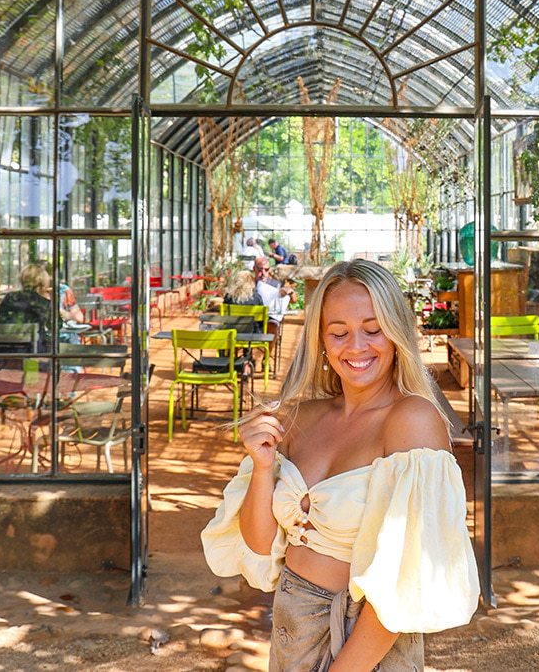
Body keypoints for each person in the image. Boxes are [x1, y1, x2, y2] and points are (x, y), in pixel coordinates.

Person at [202, 259, 479, 671]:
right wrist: (262, 468)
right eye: (339, 332)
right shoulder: (301, 417)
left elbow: (405, 581)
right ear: (321, 339)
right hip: (291, 625)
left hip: (365, 643)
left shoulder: (412, 420)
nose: (357, 346)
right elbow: (261, 544)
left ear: (397, 332)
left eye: (373, 329)